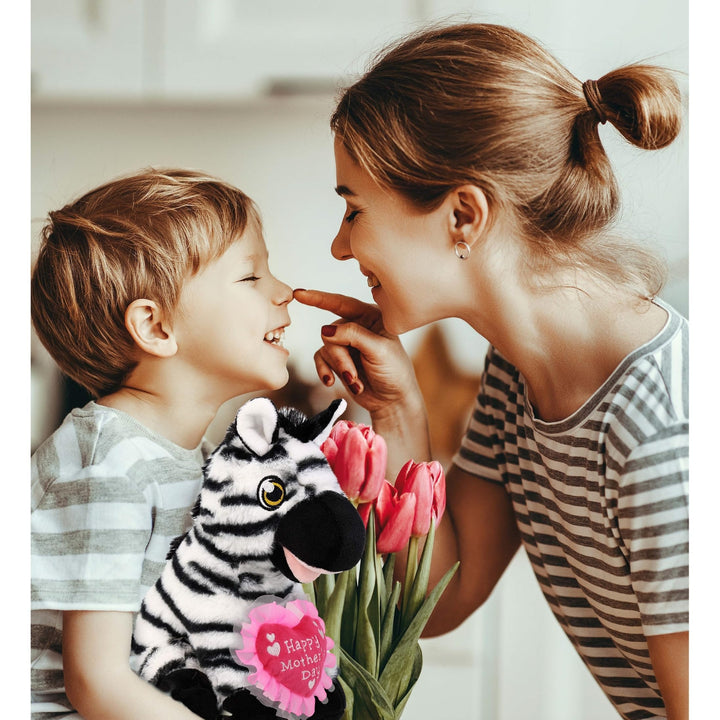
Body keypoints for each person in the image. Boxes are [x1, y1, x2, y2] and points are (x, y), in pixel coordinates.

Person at [295, 22, 688, 720]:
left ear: (463, 215)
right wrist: (398, 413)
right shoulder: (517, 374)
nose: (339, 244)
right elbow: (443, 596)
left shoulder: (661, 429)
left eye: (354, 210)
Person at [30, 168, 294, 719]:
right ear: (155, 327)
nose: (283, 291)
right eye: (251, 277)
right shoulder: (110, 465)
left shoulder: (177, 455)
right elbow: (96, 682)